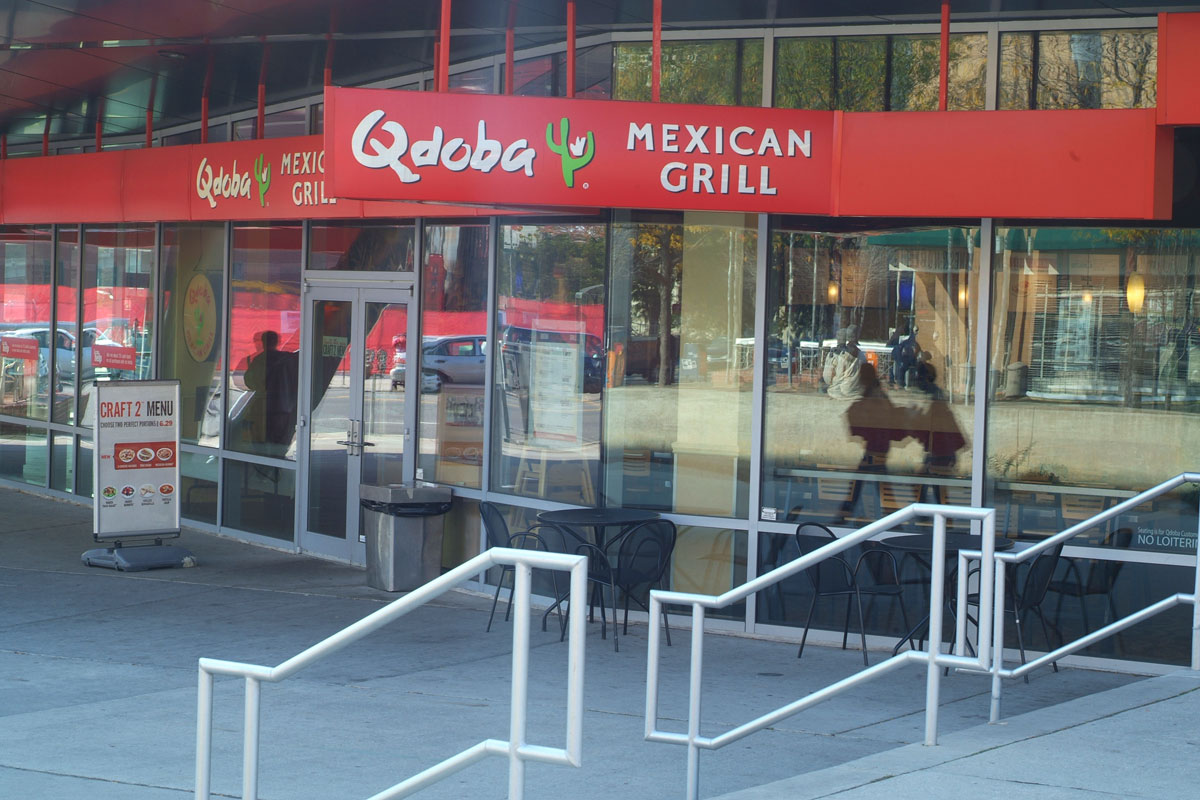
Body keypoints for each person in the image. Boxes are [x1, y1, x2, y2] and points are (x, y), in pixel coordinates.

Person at [242, 330, 299, 449]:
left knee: (263, 440)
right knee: (280, 441)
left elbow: (249, 382)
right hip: (284, 407)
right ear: (278, 342)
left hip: (263, 408)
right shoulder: (288, 359)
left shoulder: (258, 360)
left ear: (262, 342)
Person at [823, 325, 864, 399]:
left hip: (839, 388)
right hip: (853, 388)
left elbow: (829, 376)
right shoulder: (861, 354)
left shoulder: (836, 354)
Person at [890, 324, 920, 388]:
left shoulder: (910, 342)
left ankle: (899, 383)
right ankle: (899, 383)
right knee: (901, 367)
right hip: (905, 359)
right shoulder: (908, 342)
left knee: (901, 367)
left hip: (906, 359)